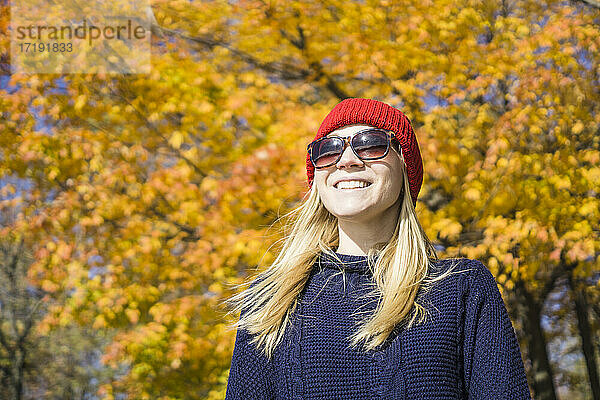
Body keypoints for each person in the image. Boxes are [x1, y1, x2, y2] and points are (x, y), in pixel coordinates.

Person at [224, 98, 531, 399]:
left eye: (370, 144)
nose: (347, 160)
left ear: (404, 168)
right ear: (317, 177)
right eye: (328, 150)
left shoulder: (461, 288)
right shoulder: (269, 302)